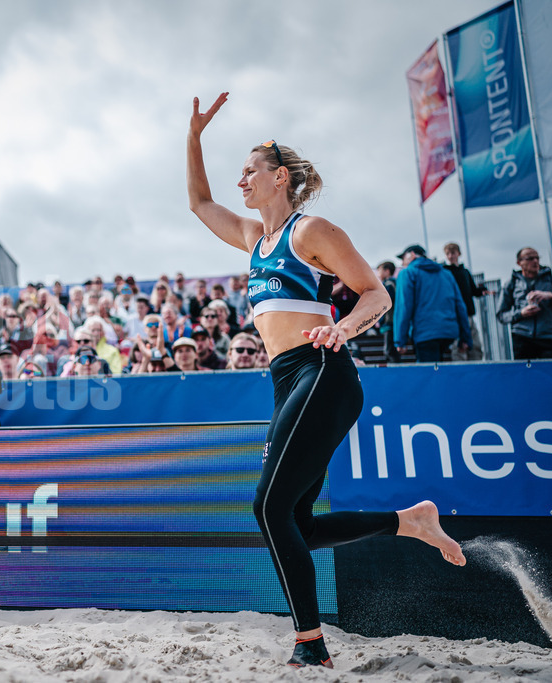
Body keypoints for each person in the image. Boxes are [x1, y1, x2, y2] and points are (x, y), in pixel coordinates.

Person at [188, 92, 465, 668]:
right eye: (239, 171)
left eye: (249, 171)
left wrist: (344, 328)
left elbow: (376, 292)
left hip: (323, 371)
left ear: (279, 176)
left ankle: (310, 644)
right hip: (288, 378)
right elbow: (198, 201)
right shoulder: (252, 239)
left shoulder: (309, 230)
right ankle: (408, 522)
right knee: (295, 522)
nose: (241, 179)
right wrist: (193, 136)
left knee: (268, 509)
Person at [393, 245, 470, 363]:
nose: (403, 263)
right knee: (443, 371)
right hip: (449, 332)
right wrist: (465, 337)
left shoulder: (408, 273)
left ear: (412, 255)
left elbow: (404, 307)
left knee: (428, 375)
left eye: (403, 258)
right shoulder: (446, 273)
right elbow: (460, 306)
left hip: (424, 333)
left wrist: (400, 340)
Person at [497, 246, 552, 359]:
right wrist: (521, 313)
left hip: (548, 336)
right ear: (519, 262)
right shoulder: (511, 283)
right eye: (530, 258)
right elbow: (501, 315)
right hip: (522, 338)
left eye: (537, 258)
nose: (535, 261)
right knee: (525, 374)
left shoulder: (550, 279)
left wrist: (549, 295)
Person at [442, 242, 487, 361]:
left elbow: (473, 291)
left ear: (459, 254)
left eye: (453, 253)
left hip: (469, 315)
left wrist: (482, 290)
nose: (450, 256)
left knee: (476, 347)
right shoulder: (445, 273)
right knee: (459, 348)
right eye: (448, 254)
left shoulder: (465, 272)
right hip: (455, 316)